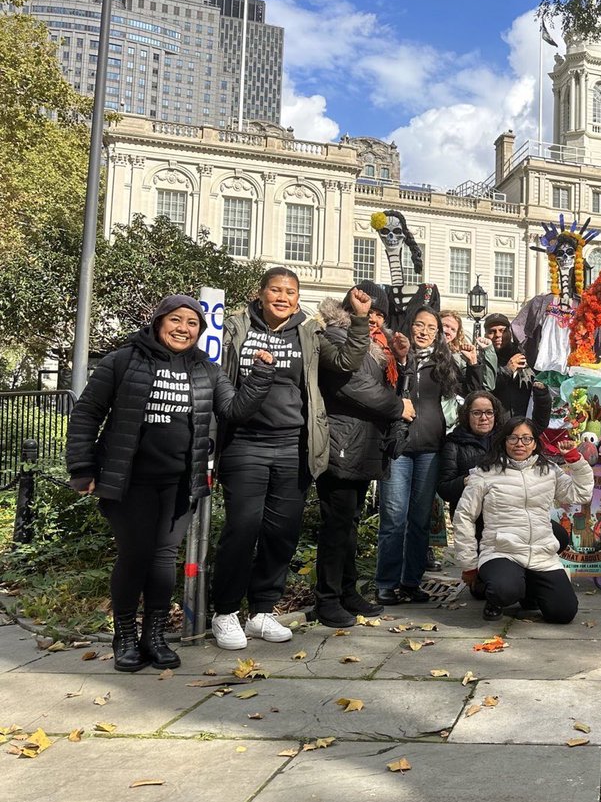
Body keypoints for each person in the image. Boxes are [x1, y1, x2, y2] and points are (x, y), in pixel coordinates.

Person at [66, 295, 275, 671]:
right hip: (128, 480)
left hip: (179, 481)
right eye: (176, 320)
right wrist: (82, 467)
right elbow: (87, 412)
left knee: (164, 559)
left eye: (192, 323)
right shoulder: (123, 360)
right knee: (136, 555)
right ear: (159, 321)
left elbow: (234, 411)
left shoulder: (206, 370)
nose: (183, 328)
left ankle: (155, 636)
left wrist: (260, 376)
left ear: (200, 329)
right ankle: (125, 637)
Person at [210, 267, 371, 650]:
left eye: (291, 292)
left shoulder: (309, 332)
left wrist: (360, 318)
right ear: (261, 293)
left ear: (298, 298)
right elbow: (216, 375)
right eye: (276, 290)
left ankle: (263, 609)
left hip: (293, 445)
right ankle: (226, 612)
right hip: (245, 444)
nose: (283, 297)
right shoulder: (234, 327)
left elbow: (347, 359)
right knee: (242, 528)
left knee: (281, 532)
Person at [312, 283, 410, 628]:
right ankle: (326, 598)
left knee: (349, 523)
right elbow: (352, 385)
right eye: (369, 311)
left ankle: (346, 592)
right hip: (341, 439)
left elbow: (383, 387)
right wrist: (399, 406)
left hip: (363, 443)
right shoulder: (335, 336)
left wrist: (400, 361)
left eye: (380, 314)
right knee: (336, 524)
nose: (375, 320)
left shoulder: (377, 347)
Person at [375, 306, 481, 605]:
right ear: (410, 326)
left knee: (420, 519)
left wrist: (473, 365)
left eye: (431, 328)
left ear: (439, 334)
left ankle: (411, 582)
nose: (423, 332)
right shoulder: (394, 356)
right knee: (394, 518)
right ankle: (386, 583)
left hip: (431, 449)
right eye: (419, 325)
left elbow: (470, 395)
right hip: (398, 448)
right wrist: (403, 359)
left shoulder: (443, 362)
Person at [453, 417, 593, 623]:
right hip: (501, 551)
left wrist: (575, 460)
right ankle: (492, 593)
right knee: (505, 590)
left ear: (535, 443)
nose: (520, 444)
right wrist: (469, 564)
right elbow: (464, 516)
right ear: (503, 441)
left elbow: (581, 494)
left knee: (563, 613)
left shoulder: (549, 471)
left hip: (540, 554)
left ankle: (529, 591)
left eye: (527, 439)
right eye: (513, 438)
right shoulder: (484, 473)